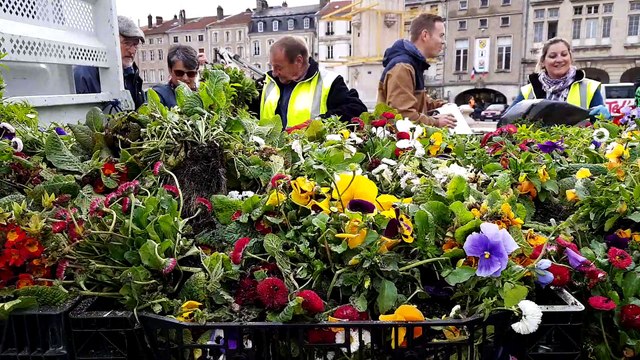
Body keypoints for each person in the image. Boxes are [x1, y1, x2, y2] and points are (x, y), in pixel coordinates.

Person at [256, 36, 367, 129]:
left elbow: (357, 109)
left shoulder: (329, 82)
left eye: (279, 67)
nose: (274, 73)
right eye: (272, 66)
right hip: (269, 152)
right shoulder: (266, 82)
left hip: (311, 153)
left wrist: (318, 123)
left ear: (298, 61)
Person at [378, 13, 457, 128]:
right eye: (441, 35)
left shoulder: (412, 64)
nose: (443, 41)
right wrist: (436, 122)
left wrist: (447, 106)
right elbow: (402, 114)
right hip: (399, 143)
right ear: (425, 35)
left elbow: (421, 102)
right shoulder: (403, 67)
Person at [512, 37, 609, 119]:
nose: (559, 60)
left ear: (570, 58)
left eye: (564, 54)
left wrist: (605, 119)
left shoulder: (589, 88)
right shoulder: (527, 91)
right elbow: (506, 122)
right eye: (552, 56)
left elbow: (601, 130)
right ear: (542, 62)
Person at [73, 16, 146, 109]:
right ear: (109, 41)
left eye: (135, 45)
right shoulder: (84, 75)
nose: (132, 51)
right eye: (127, 43)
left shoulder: (132, 75)